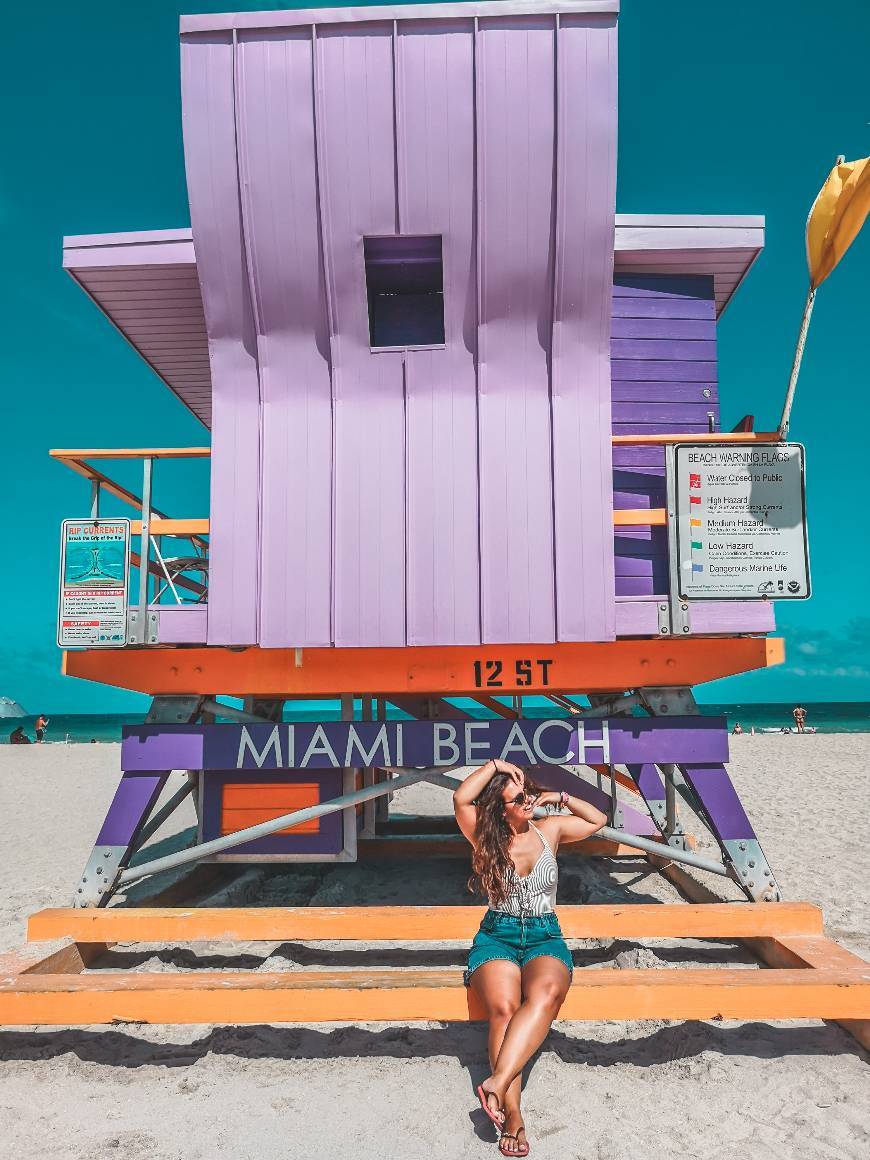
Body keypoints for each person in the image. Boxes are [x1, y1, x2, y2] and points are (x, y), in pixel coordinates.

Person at [453, 758, 607, 1156]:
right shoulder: (485, 837)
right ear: (499, 809)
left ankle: (496, 1082)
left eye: (526, 795)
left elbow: (597, 818)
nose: (525, 802)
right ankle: (514, 1114)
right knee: (504, 1008)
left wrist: (558, 796)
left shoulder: (549, 829)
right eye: (516, 799)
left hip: (543, 935)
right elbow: (461, 797)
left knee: (545, 995)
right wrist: (495, 765)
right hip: (498, 936)